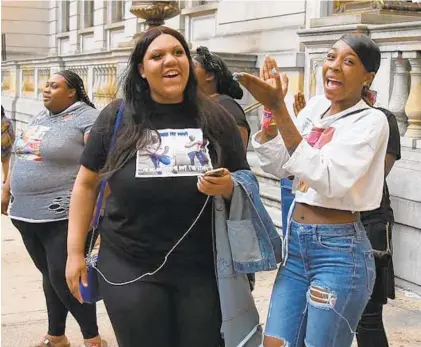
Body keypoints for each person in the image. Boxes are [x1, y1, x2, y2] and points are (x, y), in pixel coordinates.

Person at [65, 26, 255, 347]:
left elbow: (245, 181)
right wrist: (74, 253)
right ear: (141, 69)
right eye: (158, 55)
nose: (171, 60)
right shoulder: (116, 117)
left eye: (178, 53)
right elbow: (85, 184)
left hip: (202, 267)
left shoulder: (216, 118)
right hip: (129, 262)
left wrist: (226, 186)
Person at [234, 34, 389, 347]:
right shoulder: (316, 108)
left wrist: (280, 108)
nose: (334, 67)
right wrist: (271, 117)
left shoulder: (372, 122)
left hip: (339, 253)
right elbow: (280, 165)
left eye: (349, 62)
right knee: (276, 342)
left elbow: (328, 178)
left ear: (367, 77)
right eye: (331, 58)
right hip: (297, 248)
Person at [1, 71, 106, 347]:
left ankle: (92, 338)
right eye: (46, 85)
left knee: (66, 277)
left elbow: (100, 164)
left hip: (63, 215)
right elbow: (20, 153)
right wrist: (6, 188)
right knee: (51, 275)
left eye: (54, 86)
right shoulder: (40, 116)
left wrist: (100, 211)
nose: (46, 90)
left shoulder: (87, 118)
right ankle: (56, 335)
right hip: (25, 213)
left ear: (72, 92)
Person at [292, 93, 401, 347]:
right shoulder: (320, 117)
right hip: (320, 229)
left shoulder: (380, 120)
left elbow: (369, 175)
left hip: (369, 224)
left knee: (368, 317)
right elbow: (300, 176)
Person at [193, 46, 251, 148]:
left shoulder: (228, 107)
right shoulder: (196, 103)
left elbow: (238, 156)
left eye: (192, 67)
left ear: (210, 75)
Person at [1, 105, 15, 183]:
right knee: (5, 162)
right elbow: (12, 134)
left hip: (4, 145)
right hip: (5, 146)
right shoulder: (7, 121)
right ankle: (5, 179)